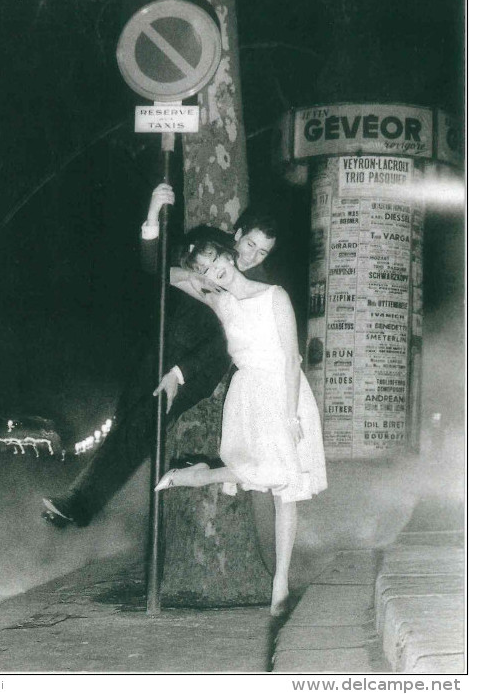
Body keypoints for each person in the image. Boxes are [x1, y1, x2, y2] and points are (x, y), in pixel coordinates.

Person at [42, 185, 277, 528]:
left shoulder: (256, 285)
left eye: (263, 253)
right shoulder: (209, 245)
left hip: (194, 369)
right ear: (236, 235)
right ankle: (83, 503)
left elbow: (226, 342)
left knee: (140, 427)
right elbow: (155, 265)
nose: (253, 257)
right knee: (124, 425)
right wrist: (153, 214)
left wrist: (179, 374)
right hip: (162, 348)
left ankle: (79, 506)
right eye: (250, 245)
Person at [154, 235, 327, 617]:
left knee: (287, 487)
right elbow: (167, 275)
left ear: (231, 255)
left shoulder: (274, 296)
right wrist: (197, 269)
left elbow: (290, 359)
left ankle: (280, 582)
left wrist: (292, 414)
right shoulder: (219, 300)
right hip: (248, 393)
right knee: (266, 472)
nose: (214, 270)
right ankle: (199, 475)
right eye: (206, 268)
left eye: (217, 259)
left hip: (284, 392)